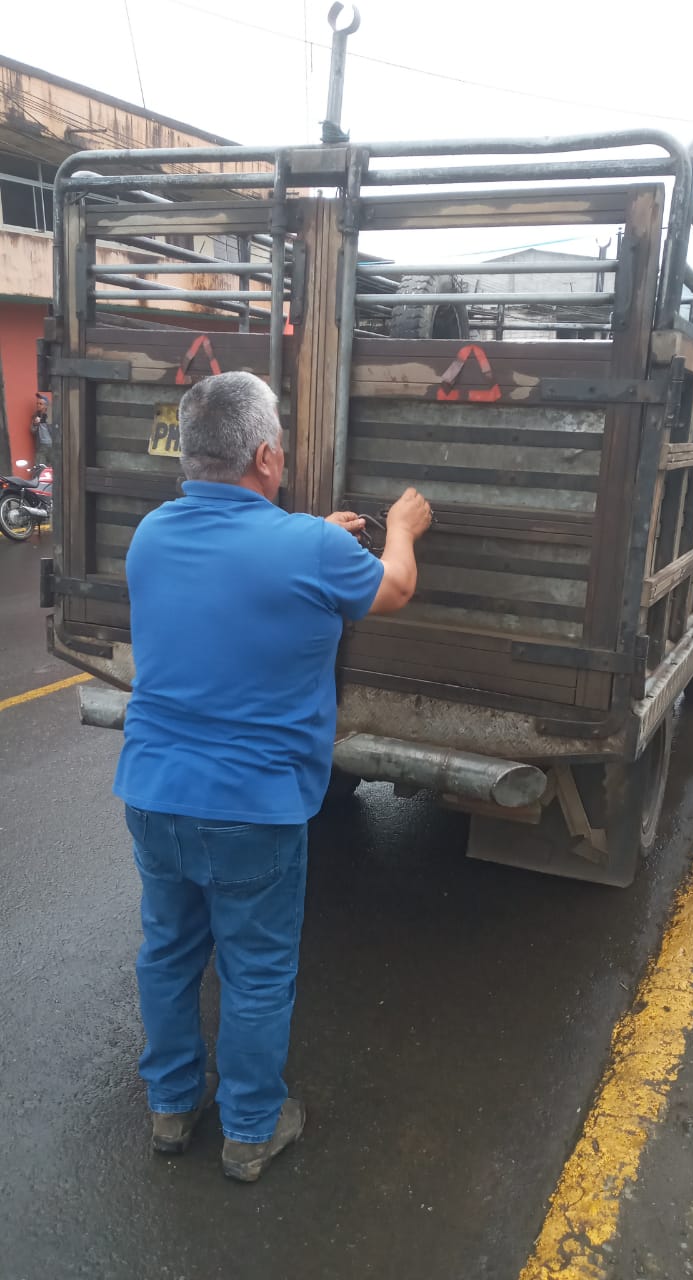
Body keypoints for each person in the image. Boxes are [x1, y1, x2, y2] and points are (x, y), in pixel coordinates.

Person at [113, 371, 432, 1182]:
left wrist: (312, 535)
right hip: (253, 808)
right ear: (264, 456)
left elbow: (239, 564)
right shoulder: (312, 551)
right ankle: (252, 1128)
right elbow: (394, 587)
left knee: (168, 953)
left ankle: (171, 1107)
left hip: (153, 793)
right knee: (255, 971)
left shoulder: (151, 534)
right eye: (280, 447)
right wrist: (399, 527)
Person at [30, 393, 53, 467]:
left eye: (41, 404)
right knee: (39, 467)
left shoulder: (51, 415)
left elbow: (57, 430)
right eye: (37, 403)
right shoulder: (35, 416)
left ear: (46, 406)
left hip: (52, 445)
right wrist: (35, 424)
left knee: (54, 467)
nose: (38, 405)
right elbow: (32, 431)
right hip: (41, 446)